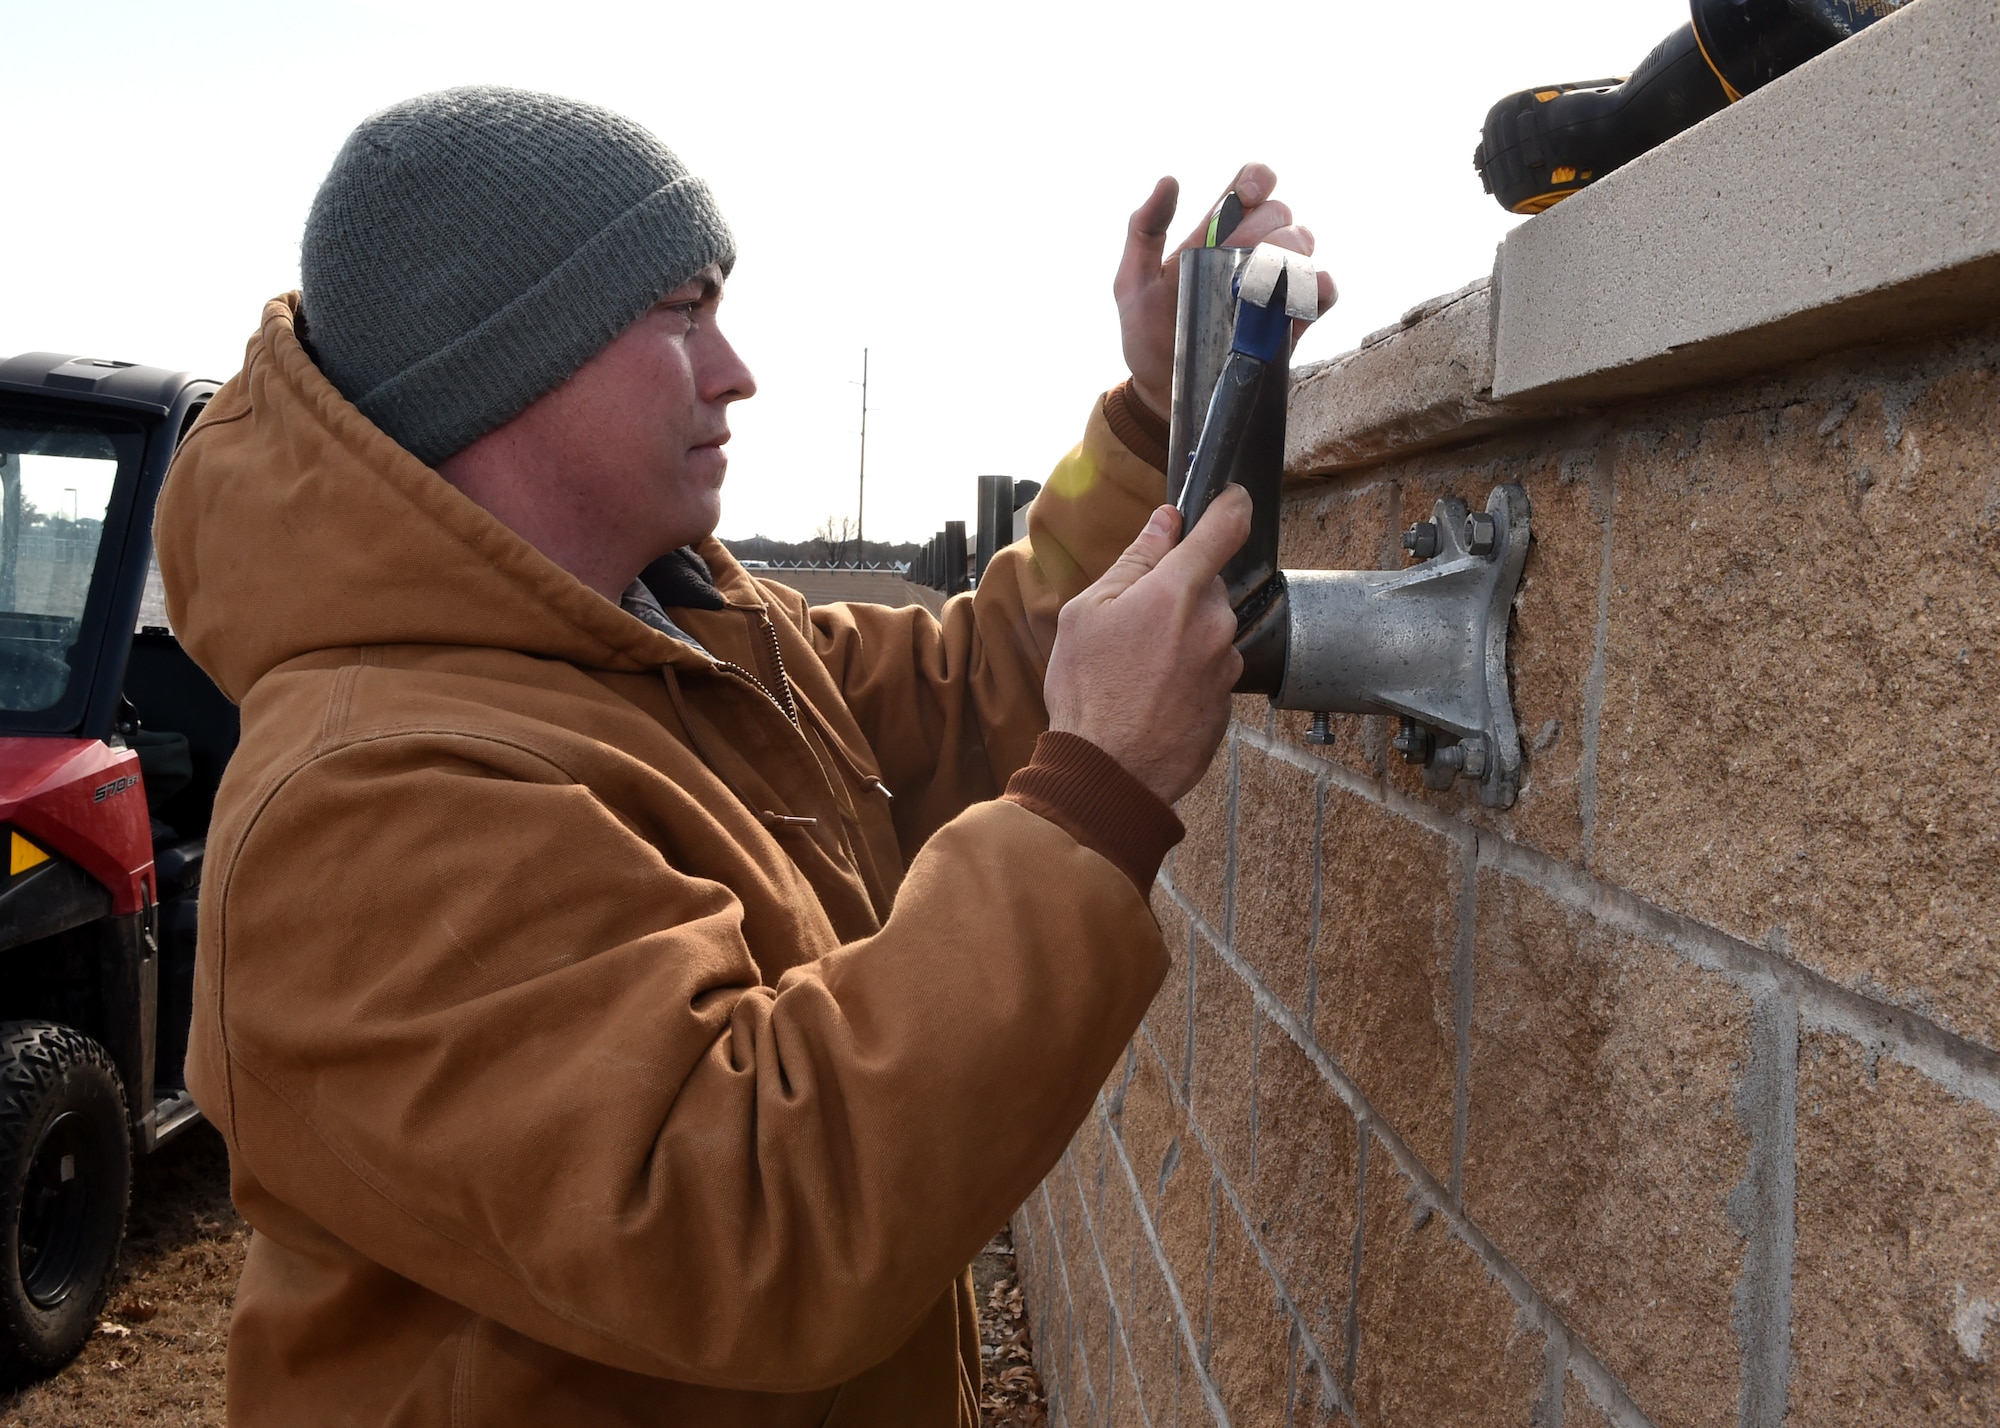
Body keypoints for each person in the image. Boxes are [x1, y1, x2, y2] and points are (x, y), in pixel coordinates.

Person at [156, 86, 1331, 1426]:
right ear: (510, 363)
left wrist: (1148, 416)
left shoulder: (681, 632)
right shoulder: (363, 803)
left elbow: (970, 690)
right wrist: (1097, 793)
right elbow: (752, 1212)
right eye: (683, 312)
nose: (736, 369)